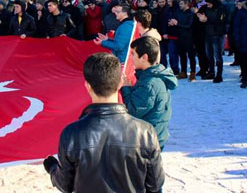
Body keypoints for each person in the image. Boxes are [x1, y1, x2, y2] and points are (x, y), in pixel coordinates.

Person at [43, 52, 165, 193]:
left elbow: (65, 185)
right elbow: (155, 184)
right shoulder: (145, 131)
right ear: (120, 83)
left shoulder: (71, 133)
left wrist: (52, 168)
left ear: (87, 86)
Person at [121, 36, 178, 151]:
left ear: (144, 57)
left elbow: (133, 110)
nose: (131, 58)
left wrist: (126, 88)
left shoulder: (150, 83)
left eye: (133, 54)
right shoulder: (150, 76)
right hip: (153, 136)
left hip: (149, 141)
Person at [197, 0, 226, 82]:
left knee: (218, 55)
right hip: (208, 34)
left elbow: (221, 20)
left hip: (218, 34)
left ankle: (219, 74)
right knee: (209, 55)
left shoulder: (221, 8)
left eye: (209, 4)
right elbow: (199, 13)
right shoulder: (205, 8)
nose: (208, 5)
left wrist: (207, 20)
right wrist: (200, 17)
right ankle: (211, 72)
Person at [175, 0, 197, 81]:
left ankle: (193, 73)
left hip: (189, 37)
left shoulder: (191, 14)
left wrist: (177, 24)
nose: (180, 5)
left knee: (191, 56)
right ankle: (183, 72)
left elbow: (189, 25)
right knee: (182, 55)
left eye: (181, 4)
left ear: (186, 4)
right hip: (180, 36)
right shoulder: (178, 12)